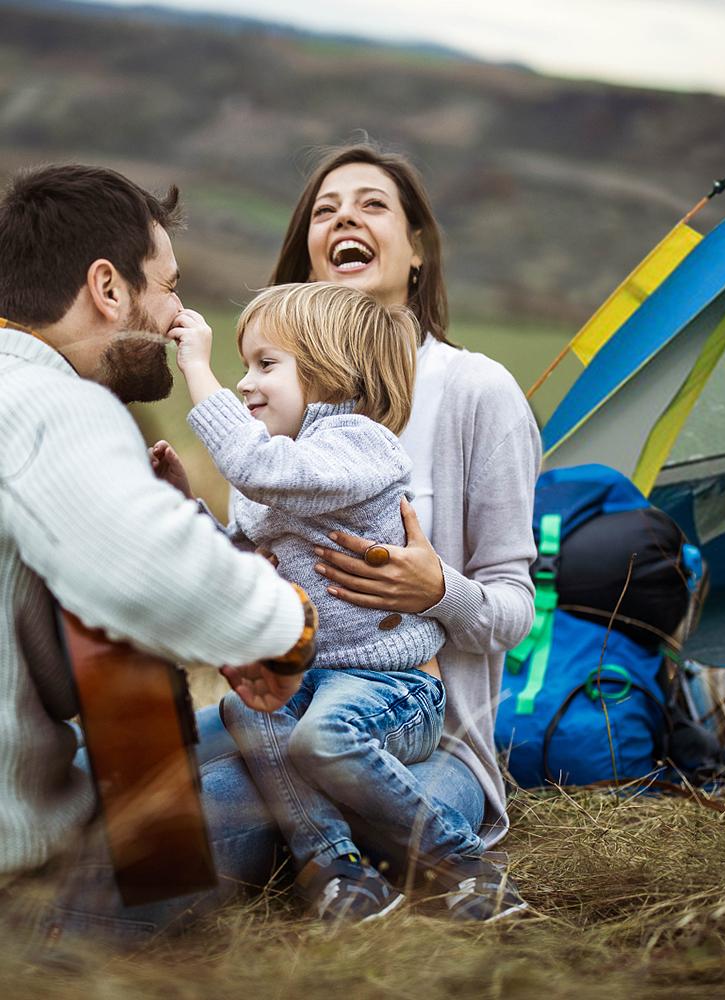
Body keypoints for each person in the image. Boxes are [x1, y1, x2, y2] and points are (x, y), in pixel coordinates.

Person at [198, 142, 542, 921]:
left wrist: (439, 590)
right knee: (121, 767)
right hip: (286, 709)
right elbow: (240, 577)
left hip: (425, 727)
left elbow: (517, 611)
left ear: (417, 250)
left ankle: (385, 871)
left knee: (215, 819)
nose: (345, 215)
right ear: (309, 263)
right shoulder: (271, 410)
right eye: (325, 209)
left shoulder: (477, 389)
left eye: (372, 203)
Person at [0, 163, 318, 953]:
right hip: (20, 894)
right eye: (168, 286)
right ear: (108, 289)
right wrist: (285, 628)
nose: (180, 314)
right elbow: (142, 569)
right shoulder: (49, 399)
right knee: (263, 780)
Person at [157, 281, 484, 921]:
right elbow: (235, 559)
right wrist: (182, 503)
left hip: (389, 687)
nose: (246, 382)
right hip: (314, 679)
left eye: (265, 365)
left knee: (324, 738)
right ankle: (340, 870)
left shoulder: (357, 445)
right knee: (247, 710)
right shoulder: (276, 471)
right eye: (243, 365)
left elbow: (257, 468)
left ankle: (462, 863)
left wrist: (197, 364)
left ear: (333, 371)